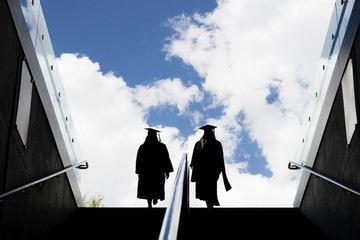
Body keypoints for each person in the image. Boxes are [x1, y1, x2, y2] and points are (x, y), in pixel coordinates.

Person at [190, 124, 231, 209]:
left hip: (203, 170)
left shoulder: (202, 142)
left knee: (205, 189)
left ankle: (209, 206)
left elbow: (195, 156)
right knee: (211, 189)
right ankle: (210, 206)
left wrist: (193, 163)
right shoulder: (216, 143)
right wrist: (219, 170)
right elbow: (220, 158)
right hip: (213, 170)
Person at [136, 128, 173, 208]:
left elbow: (138, 160)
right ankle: (155, 194)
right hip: (158, 171)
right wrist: (167, 171)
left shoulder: (143, 147)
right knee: (156, 186)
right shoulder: (161, 146)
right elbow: (166, 159)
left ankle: (149, 204)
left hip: (146, 172)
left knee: (147, 188)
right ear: (156, 137)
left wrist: (139, 172)